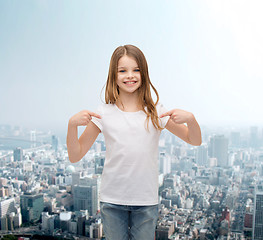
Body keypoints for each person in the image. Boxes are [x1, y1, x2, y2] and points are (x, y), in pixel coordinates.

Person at [66, 44, 202, 240]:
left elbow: (194, 140)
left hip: (145, 200)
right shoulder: (103, 112)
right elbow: (75, 154)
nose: (130, 75)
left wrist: (191, 119)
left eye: (136, 69)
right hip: (112, 200)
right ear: (113, 75)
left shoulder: (156, 111)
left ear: (144, 73)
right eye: (123, 70)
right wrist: (72, 125)